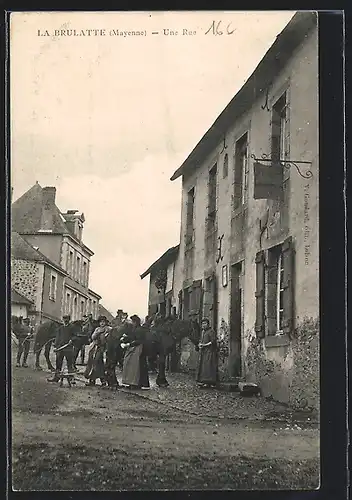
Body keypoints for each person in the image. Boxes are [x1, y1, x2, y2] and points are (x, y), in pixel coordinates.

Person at [121, 314, 150, 389]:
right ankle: (133, 383)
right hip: (135, 349)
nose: (131, 323)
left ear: (136, 322)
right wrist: (125, 338)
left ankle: (137, 384)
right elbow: (132, 337)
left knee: (136, 367)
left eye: (132, 322)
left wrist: (129, 344)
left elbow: (139, 340)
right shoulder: (134, 329)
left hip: (139, 349)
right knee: (133, 366)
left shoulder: (139, 330)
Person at [47, 315, 77, 383]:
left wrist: (72, 340)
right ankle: (56, 377)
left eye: (67, 319)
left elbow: (76, 336)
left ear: (69, 320)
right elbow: (57, 338)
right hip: (60, 349)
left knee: (70, 364)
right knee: (58, 363)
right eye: (64, 319)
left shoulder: (72, 327)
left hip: (68, 348)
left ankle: (71, 378)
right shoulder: (60, 328)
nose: (65, 320)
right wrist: (55, 346)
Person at [84, 315, 111, 387]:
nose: (102, 323)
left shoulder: (108, 329)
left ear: (105, 322)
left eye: (103, 322)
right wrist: (98, 333)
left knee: (99, 363)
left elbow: (110, 338)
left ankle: (103, 380)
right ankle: (92, 380)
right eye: (101, 322)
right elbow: (93, 337)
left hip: (103, 348)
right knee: (93, 363)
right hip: (95, 348)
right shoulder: (97, 329)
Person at [196, 318, 218, 388]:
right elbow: (201, 340)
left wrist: (204, 345)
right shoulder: (203, 332)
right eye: (202, 324)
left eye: (205, 323)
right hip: (204, 352)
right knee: (204, 367)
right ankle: (204, 381)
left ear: (208, 324)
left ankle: (211, 382)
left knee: (209, 367)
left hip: (210, 352)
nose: (203, 325)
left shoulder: (211, 331)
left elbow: (213, 341)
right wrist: (199, 344)